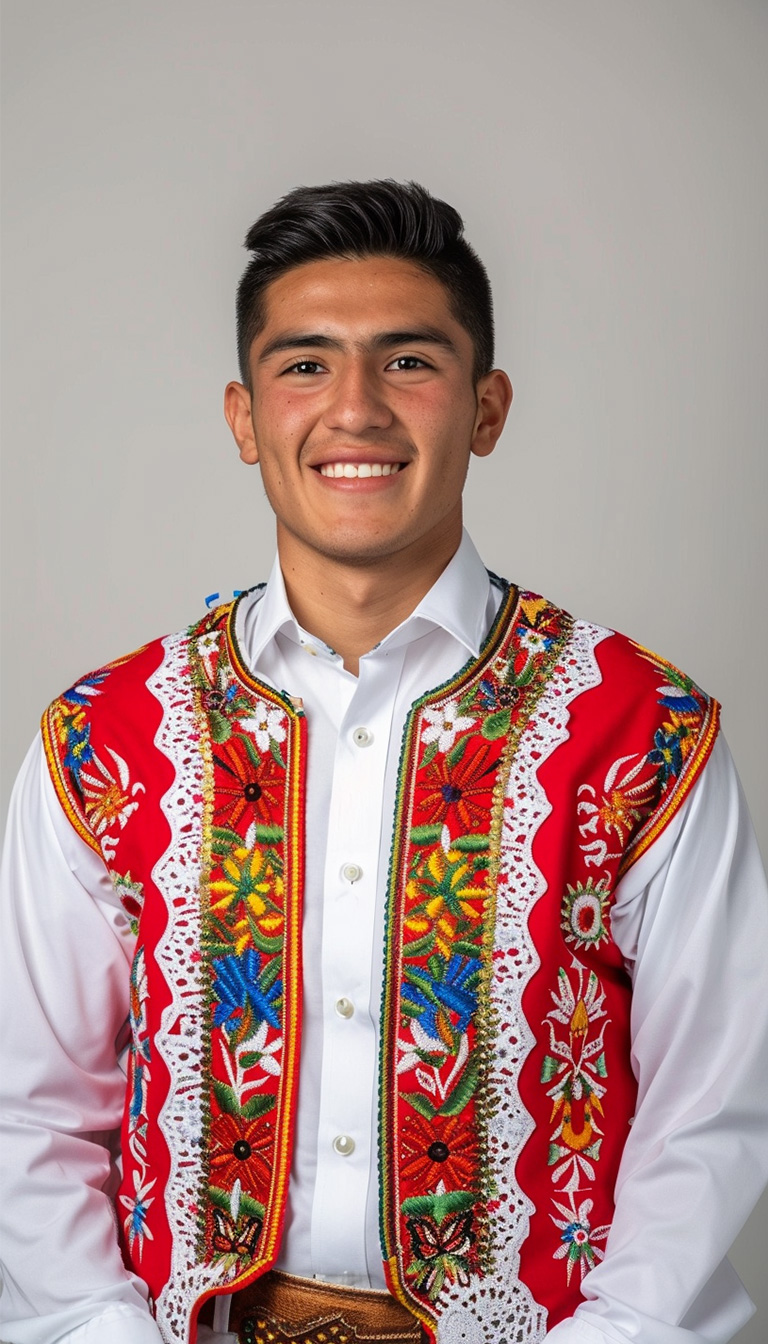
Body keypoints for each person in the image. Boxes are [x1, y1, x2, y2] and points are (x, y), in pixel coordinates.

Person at [1, 180, 766, 1344]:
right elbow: (31, 1113)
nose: (354, 408)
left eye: (409, 360)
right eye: (304, 365)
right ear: (244, 417)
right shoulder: (108, 739)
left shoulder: (640, 732)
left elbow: (710, 1113)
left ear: (488, 406)